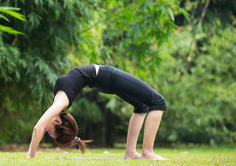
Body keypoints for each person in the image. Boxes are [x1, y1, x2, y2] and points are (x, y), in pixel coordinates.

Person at [27, 64, 168, 160]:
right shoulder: (60, 104)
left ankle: (132, 153)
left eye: (50, 132)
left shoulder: (59, 103)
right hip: (106, 78)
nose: (46, 131)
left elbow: (37, 128)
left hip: (106, 78)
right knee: (158, 102)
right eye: (49, 132)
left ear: (57, 121)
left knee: (143, 106)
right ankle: (146, 152)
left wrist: (30, 156)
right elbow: (39, 129)